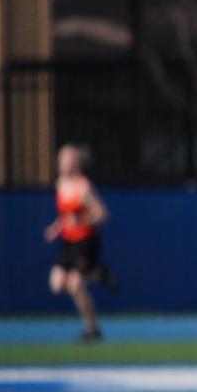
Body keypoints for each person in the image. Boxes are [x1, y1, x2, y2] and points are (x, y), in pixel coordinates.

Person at [43, 143, 115, 341]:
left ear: (76, 162)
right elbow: (66, 215)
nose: (64, 164)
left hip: (86, 242)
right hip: (68, 243)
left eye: (68, 160)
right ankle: (98, 274)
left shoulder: (84, 187)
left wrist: (82, 220)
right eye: (61, 160)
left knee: (75, 284)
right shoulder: (60, 184)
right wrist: (56, 228)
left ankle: (92, 329)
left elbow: (102, 214)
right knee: (56, 284)